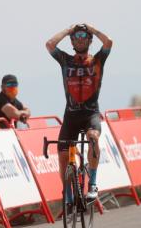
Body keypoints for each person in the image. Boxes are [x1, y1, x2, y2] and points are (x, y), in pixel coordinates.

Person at [45, 23, 113, 202]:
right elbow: (50, 44)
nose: (80, 39)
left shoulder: (97, 60)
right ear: (72, 41)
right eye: (76, 37)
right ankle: (68, 195)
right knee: (62, 155)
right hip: (71, 116)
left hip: (91, 114)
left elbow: (108, 42)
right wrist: (68, 30)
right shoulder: (65, 60)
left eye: (84, 36)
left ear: (90, 40)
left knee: (93, 136)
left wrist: (92, 29)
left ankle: (93, 184)